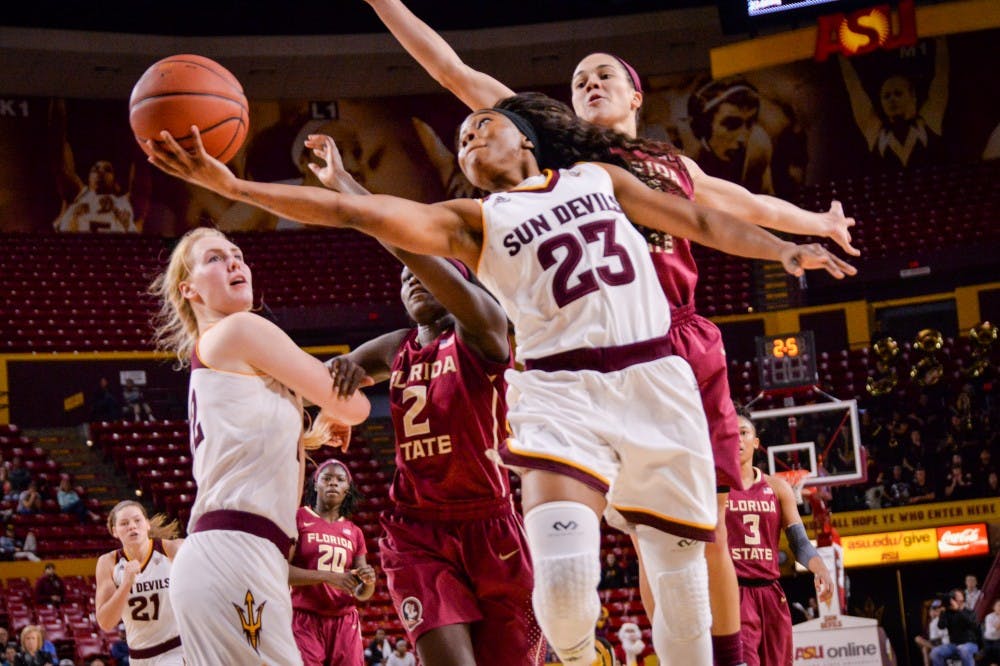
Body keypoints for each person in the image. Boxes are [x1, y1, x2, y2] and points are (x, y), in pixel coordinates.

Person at [147, 90, 854, 666]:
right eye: (461, 142)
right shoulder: (474, 222)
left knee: (683, 593)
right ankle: (580, 656)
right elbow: (359, 216)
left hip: (652, 380)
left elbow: (698, 218)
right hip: (555, 395)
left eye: (484, 125)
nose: (470, 138)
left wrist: (784, 251)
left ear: (527, 140)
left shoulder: (596, 179)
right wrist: (236, 186)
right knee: (573, 588)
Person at [353, 6, 861, 663]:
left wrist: (816, 225)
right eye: (576, 82)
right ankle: (577, 642)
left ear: (635, 93)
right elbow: (453, 71)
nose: (587, 85)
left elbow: (749, 205)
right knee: (622, 545)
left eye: (601, 75)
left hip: (674, 342)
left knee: (697, 530)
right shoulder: (557, 150)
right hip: (581, 352)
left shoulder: (672, 165)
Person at [314, 143, 541, 665]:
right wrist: (336, 387)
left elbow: (416, 253)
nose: (412, 275)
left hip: (493, 524)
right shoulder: (397, 347)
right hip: (416, 530)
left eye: (428, 268)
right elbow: (335, 374)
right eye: (404, 276)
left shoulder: (485, 332)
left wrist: (352, 193)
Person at [147, 226, 371, 665]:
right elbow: (358, 406)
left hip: (236, 555)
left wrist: (313, 433)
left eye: (237, 253)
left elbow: (251, 442)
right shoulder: (240, 330)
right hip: (236, 552)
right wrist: (345, 397)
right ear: (188, 289)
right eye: (214, 258)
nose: (234, 262)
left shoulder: (225, 354)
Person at [727, 410, 834, 666]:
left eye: (744, 433)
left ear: (756, 442)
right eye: (731, 434)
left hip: (772, 593)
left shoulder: (777, 488)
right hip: (733, 592)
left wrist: (821, 569)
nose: (738, 439)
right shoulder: (714, 488)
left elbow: (799, 543)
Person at [289, 458, 376, 666]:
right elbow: (280, 571)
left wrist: (369, 582)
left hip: (345, 621)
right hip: (305, 619)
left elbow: (361, 593)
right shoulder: (298, 518)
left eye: (340, 480)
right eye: (327, 478)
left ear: (347, 488)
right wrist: (328, 577)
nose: (333, 483)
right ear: (315, 484)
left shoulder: (354, 532)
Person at [94, 500, 185, 665]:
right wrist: (126, 584)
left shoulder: (170, 550)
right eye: (124, 523)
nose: (132, 526)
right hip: (139, 656)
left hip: (177, 648)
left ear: (147, 524)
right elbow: (105, 622)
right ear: (115, 531)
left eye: (137, 520)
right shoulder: (108, 562)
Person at [838, 41, 949, 172]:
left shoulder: (930, 122)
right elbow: (853, 88)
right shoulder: (874, 131)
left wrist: (941, 37)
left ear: (912, 96)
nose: (892, 99)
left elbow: (942, 75)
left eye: (898, 93)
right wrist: (840, 51)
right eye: (886, 96)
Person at [49, 98, 148, 233]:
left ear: (116, 182)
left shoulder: (129, 202)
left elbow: (141, 165)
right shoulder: (77, 195)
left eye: (107, 170)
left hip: (116, 253)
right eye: (95, 169)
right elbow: (58, 152)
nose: (100, 172)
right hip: (75, 252)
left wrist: (144, 114)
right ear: (88, 178)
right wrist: (57, 100)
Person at [931, 589, 980, 666]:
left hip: (971, 644)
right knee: (935, 652)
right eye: (955, 598)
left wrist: (958, 610)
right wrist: (943, 612)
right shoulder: (948, 613)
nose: (956, 600)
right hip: (954, 644)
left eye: (959, 597)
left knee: (963, 649)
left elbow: (973, 625)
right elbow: (941, 626)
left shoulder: (970, 612)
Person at [915, 600, 950, 666]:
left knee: (925, 648)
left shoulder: (944, 618)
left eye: (936, 610)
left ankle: (935, 648)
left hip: (943, 642)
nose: (933, 612)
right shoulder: (930, 622)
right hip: (933, 642)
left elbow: (944, 635)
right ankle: (934, 648)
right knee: (923, 646)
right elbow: (928, 636)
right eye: (932, 610)